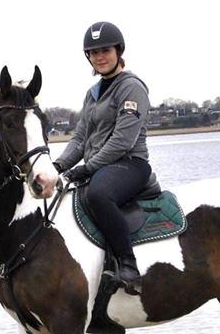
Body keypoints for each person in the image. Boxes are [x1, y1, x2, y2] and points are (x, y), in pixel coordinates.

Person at [54, 21, 153, 295]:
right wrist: (59, 166)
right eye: (94, 52)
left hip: (130, 164)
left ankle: (128, 266)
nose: (100, 57)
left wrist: (86, 169)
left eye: (105, 50)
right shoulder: (93, 94)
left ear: (118, 51)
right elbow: (80, 138)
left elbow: (123, 141)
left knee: (98, 194)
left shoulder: (131, 87)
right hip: (100, 167)